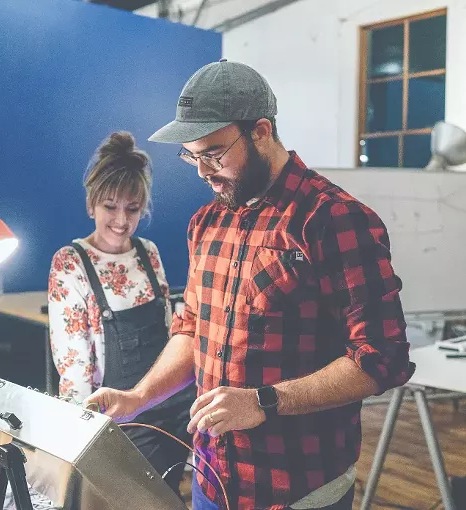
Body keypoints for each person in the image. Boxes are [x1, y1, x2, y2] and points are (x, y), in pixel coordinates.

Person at [85, 60, 416, 509]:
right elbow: (191, 328)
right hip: (213, 480)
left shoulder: (334, 219)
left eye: (214, 154)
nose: (202, 171)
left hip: (298, 489)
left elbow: (383, 358)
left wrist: (264, 402)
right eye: (192, 155)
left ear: (261, 131)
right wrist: (138, 397)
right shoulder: (206, 223)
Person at [47, 131, 197, 495]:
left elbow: (169, 334)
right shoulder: (71, 264)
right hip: (120, 418)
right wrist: (83, 440)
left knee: (174, 494)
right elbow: (74, 368)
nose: (121, 220)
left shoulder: (149, 252)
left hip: (172, 405)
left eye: (132, 208)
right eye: (110, 206)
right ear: (91, 204)